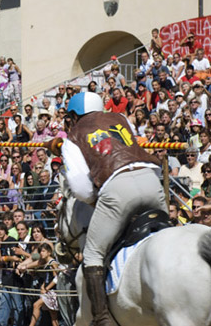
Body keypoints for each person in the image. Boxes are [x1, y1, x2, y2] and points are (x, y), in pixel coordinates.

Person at [51, 92, 166, 326]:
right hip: (152, 179)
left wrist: (99, 199)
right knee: (166, 234)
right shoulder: (121, 118)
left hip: (117, 188)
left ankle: (102, 317)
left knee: (93, 254)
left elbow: (81, 190)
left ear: (73, 116)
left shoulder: (73, 136)